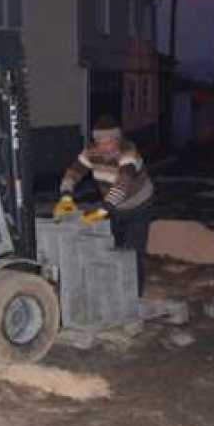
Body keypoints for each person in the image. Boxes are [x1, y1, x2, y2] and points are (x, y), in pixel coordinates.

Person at [53, 115, 154, 295]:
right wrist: (66, 196)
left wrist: (102, 210)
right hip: (114, 207)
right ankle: (114, 292)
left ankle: (134, 297)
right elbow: (74, 172)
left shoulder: (128, 153)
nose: (104, 147)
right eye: (100, 142)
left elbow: (122, 186)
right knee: (115, 248)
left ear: (117, 139)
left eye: (109, 142)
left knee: (133, 254)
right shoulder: (91, 152)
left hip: (138, 206)